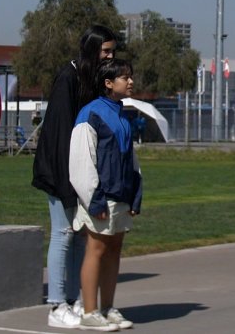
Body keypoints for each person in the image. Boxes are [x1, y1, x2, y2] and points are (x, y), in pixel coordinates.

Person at [31, 25, 117, 329]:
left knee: (82, 233)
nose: (110, 56)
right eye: (106, 51)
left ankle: (75, 298)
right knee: (63, 233)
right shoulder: (68, 78)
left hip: (82, 172)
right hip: (58, 170)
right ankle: (56, 304)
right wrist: (66, 181)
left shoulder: (93, 80)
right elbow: (58, 133)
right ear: (92, 49)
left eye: (112, 51)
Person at [70, 57, 142, 331]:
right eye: (125, 77)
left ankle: (108, 308)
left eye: (130, 76)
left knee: (114, 250)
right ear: (108, 83)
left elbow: (130, 159)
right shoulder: (91, 113)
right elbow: (82, 160)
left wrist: (135, 193)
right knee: (96, 249)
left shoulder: (122, 114)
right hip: (101, 196)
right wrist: (94, 198)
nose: (131, 81)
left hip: (121, 194)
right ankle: (89, 312)